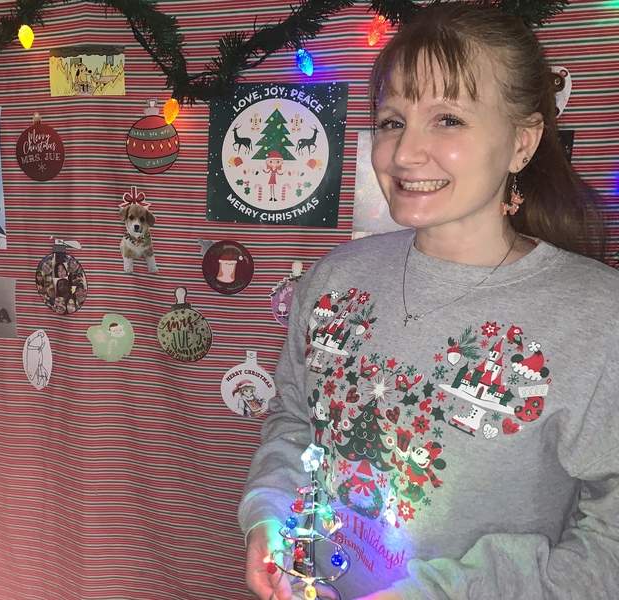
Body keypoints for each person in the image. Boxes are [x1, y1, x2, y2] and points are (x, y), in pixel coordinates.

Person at [239, 4, 618, 600]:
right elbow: (294, 420)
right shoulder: (333, 280)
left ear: (522, 141)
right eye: (392, 121)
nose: (405, 153)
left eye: (447, 119)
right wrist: (268, 516)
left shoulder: (598, 317)